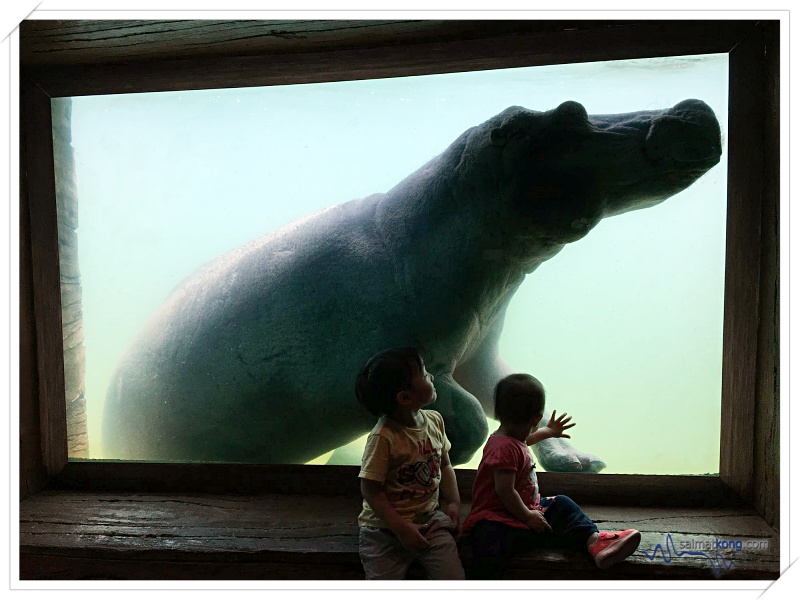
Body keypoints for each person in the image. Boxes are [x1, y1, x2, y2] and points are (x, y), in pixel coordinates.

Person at [462, 373, 641, 579]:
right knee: (489, 548)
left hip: (526, 510)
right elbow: (504, 490)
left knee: (562, 504)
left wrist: (548, 432)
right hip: (497, 517)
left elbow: (525, 440)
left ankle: (595, 541)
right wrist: (528, 516)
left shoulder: (507, 437)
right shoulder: (504, 449)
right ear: (537, 418)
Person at [354, 347, 466, 580]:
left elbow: (444, 465)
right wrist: (401, 528)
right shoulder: (383, 437)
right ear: (405, 397)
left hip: (429, 520)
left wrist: (453, 501)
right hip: (384, 530)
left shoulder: (434, 421)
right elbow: (370, 489)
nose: (432, 377)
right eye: (425, 375)